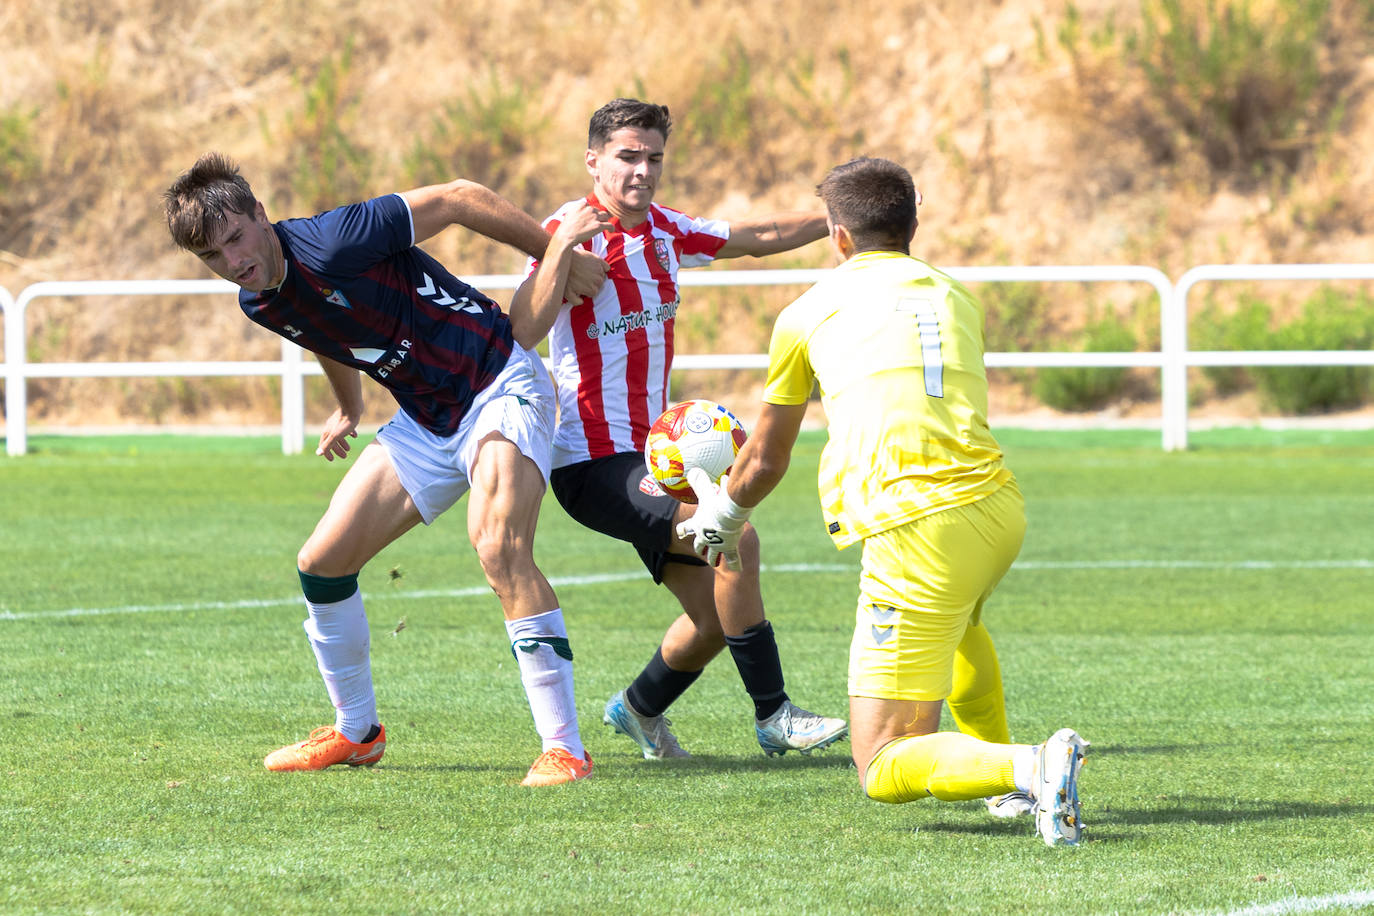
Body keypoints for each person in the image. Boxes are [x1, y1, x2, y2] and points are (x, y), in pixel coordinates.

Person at [163, 152, 611, 786]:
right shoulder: (257, 300)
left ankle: (565, 747)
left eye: (236, 238)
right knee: (322, 562)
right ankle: (357, 732)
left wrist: (560, 251)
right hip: (426, 421)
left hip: (498, 382)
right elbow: (325, 330)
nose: (233, 261)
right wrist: (349, 407)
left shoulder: (336, 237)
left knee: (498, 548)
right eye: (213, 256)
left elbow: (457, 196)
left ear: (261, 215)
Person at [677, 156, 1088, 846]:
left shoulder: (808, 313)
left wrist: (723, 513)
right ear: (914, 224)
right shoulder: (955, 294)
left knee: (882, 762)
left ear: (837, 237)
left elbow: (768, 455)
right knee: (963, 631)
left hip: (918, 529)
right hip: (995, 509)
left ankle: (1031, 767)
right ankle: (1012, 788)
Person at [529, 98, 848, 759]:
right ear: (593, 161)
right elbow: (522, 328)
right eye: (627, 156)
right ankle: (774, 714)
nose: (642, 170)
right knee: (737, 533)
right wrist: (560, 253)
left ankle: (639, 709)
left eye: (653, 158)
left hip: (654, 462)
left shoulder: (667, 232)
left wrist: (838, 219)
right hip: (591, 459)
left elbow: (754, 236)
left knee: (713, 618)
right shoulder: (566, 229)